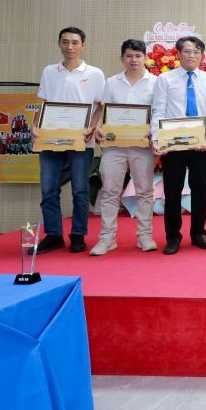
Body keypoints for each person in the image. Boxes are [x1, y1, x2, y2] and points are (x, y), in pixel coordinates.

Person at [35, 27, 106, 253]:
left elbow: (101, 106)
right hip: (50, 139)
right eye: (65, 42)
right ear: (59, 44)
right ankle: (54, 234)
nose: (70, 47)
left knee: (80, 190)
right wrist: (35, 126)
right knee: (49, 189)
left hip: (81, 140)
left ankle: (78, 235)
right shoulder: (49, 71)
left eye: (75, 42)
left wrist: (92, 126)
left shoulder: (95, 73)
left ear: (83, 45)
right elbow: (43, 104)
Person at [151, 36, 206, 255]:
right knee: (172, 191)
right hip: (173, 144)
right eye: (188, 51)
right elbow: (158, 111)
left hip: (202, 144)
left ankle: (199, 233)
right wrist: (156, 138)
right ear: (179, 54)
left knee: (200, 190)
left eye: (197, 52)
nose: (192, 55)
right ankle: (173, 237)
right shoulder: (165, 79)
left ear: (202, 55)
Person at [90, 39, 158, 255]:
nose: (133, 60)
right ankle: (107, 238)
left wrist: (154, 133)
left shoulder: (156, 82)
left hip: (142, 146)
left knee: (144, 191)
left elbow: (159, 112)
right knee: (110, 191)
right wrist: (98, 127)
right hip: (114, 146)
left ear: (145, 58)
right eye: (129, 56)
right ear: (122, 58)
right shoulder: (111, 82)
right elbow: (103, 111)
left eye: (138, 56)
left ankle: (144, 236)